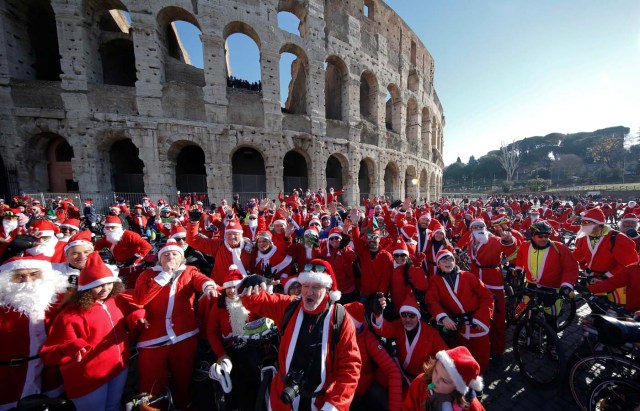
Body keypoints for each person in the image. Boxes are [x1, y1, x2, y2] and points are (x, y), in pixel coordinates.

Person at [240, 259, 361, 411]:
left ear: (328, 290)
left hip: (321, 402)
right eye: (305, 286)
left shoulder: (340, 318)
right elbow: (252, 301)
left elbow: (350, 368)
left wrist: (335, 405)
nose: (308, 292)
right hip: (283, 399)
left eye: (316, 287)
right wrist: (251, 282)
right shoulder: (288, 307)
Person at [41, 253, 145, 411]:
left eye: (108, 284)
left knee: (113, 406)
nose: (105, 289)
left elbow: (131, 316)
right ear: (85, 288)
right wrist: (71, 347)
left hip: (118, 368)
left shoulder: (117, 300)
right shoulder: (71, 315)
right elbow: (49, 354)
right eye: (98, 285)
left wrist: (137, 316)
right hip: (88, 378)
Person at [133, 239, 219, 409]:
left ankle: (182, 404)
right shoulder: (148, 274)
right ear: (160, 259)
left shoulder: (188, 271)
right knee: (151, 381)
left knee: (184, 377)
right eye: (166, 255)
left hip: (184, 334)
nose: (170, 257)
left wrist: (208, 286)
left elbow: (200, 279)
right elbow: (141, 299)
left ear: (181, 258)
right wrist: (164, 275)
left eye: (174, 254)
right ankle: (152, 407)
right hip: (154, 338)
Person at [0, 256, 68, 410]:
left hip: (48, 372)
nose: (27, 281)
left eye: (34, 274)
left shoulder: (59, 300)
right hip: (9, 377)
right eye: (19, 276)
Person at [426, 250, 494, 373]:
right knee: (463, 358)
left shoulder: (468, 276)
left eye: (450, 259)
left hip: (477, 324)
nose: (448, 262)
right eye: (444, 260)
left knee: (481, 356)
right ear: (438, 264)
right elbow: (431, 301)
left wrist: (481, 318)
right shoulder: (435, 280)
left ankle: (478, 380)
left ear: (454, 261)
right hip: (458, 326)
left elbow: (487, 296)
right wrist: (443, 317)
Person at [207, 265, 261, 410]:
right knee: (234, 381)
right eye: (229, 288)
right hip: (229, 349)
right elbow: (212, 331)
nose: (232, 291)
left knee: (253, 377)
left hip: (252, 346)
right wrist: (221, 354)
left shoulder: (252, 300)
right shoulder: (219, 307)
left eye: (235, 286)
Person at [514, 220, 579, 330]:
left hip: (552, 288)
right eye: (540, 236)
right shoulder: (525, 246)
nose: (544, 239)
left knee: (551, 317)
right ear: (533, 236)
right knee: (528, 310)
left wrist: (566, 285)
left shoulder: (560, 248)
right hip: (531, 285)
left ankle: (551, 343)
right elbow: (520, 256)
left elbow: (571, 268)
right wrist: (519, 269)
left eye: (547, 236)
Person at [371, 295, 448, 382]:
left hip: (422, 378)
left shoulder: (431, 333)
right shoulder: (398, 325)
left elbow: (445, 355)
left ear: (418, 317)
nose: (407, 319)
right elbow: (383, 330)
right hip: (400, 370)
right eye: (404, 315)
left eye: (411, 315)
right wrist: (377, 315)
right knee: (377, 376)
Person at [572, 207, 639, 304]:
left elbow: (630, 262)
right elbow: (577, 254)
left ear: (598, 224)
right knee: (596, 305)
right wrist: (561, 261)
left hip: (614, 281)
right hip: (592, 278)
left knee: (616, 310)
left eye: (586, 223)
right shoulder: (584, 237)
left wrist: (606, 276)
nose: (582, 225)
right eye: (582, 222)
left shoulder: (617, 238)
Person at [345, 302, 402, 411]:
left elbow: (392, 370)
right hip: (341, 392)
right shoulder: (331, 335)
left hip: (363, 388)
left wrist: (395, 408)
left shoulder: (367, 338)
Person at [403, 346, 485, 411]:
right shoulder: (421, 382)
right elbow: (407, 407)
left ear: (458, 388)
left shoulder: (471, 406)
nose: (435, 380)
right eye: (435, 371)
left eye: (444, 380)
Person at [186, 211, 253, 285]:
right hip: (221, 287)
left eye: (235, 234)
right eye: (229, 234)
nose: (232, 237)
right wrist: (193, 223)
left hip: (244, 288)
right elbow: (193, 241)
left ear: (241, 235)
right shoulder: (219, 244)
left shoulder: (249, 248)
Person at [94, 216, 152, 288]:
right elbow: (95, 247)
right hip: (119, 266)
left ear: (118, 227)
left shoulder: (130, 235)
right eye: (108, 228)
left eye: (113, 227)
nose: (110, 230)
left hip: (133, 266)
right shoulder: (107, 238)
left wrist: (136, 257)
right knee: (118, 286)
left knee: (132, 286)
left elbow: (147, 246)